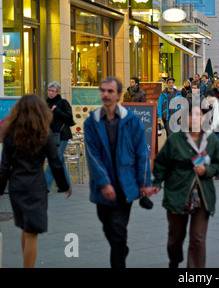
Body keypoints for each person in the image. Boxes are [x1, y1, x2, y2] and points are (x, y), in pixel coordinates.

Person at [84, 77, 155, 268]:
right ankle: (121, 248)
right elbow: (92, 155)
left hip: (126, 184)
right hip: (102, 187)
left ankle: (118, 259)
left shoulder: (131, 121)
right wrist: (105, 183)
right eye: (103, 91)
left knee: (118, 230)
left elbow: (142, 153)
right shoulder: (92, 122)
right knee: (108, 226)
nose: (106, 95)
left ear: (119, 95)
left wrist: (145, 183)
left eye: (110, 91)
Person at [0, 95, 71, 268]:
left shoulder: (10, 134)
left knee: (26, 229)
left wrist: (0, 189)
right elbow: (55, 163)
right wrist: (64, 185)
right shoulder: (44, 134)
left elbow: (4, 167)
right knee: (31, 233)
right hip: (35, 187)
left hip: (16, 187)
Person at [152, 105, 219, 268]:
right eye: (190, 115)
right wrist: (157, 182)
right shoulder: (175, 139)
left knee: (198, 239)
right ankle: (174, 260)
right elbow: (160, 162)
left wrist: (207, 170)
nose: (194, 118)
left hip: (202, 196)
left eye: (198, 115)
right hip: (178, 193)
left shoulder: (210, 139)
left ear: (203, 118)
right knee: (175, 237)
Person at [45, 81, 76, 192]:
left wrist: (57, 111)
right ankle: (66, 185)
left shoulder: (63, 103)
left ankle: (45, 186)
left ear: (58, 92)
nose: (50, 93)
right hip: (50, 136)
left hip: (62, 135)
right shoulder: (46, 103)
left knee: (55, 159)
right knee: (60, 160)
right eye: (49, 90)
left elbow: (69, 118)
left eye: (53, 91)